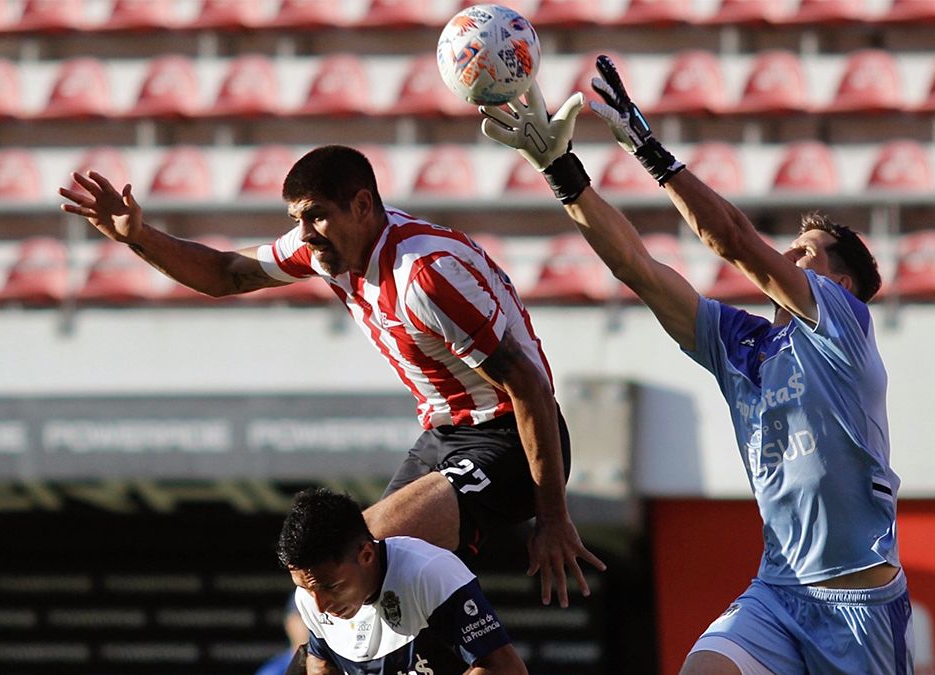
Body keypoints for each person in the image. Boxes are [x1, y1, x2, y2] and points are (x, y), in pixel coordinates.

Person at [479, 59, 912, 674]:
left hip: (857, 599)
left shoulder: (843, 327)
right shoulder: (742, 343)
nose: (787, 252)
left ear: (840, 283)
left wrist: (651, 153)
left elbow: (733, 239)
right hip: (777, 591)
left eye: (805, 251)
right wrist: (561, 172)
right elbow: (638, 268)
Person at [58, 145, 603, 608]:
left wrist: (551, 516)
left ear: (362, 206)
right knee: (351, 587)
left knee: (358, 560)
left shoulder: (425, 275)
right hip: (446, 435)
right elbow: (226, 273)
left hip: (511, 440)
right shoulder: (325, 249)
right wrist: (139, 236)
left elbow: (529, 387)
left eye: (315, 215)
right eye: (297, 217)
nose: (304, 233)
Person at [277, 486, 527, 674]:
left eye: (331, 586)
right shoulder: (309, 598)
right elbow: (320, 662)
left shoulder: (427, 572)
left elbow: (505, 669)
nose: (320, 605)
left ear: (366, 555)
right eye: (305, 589)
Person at [254, 595, 312, 675]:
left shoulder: (333, 662)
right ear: (289, 623)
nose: (310, 624)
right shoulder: (273, 672)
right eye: (303, 616)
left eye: (314, 617)